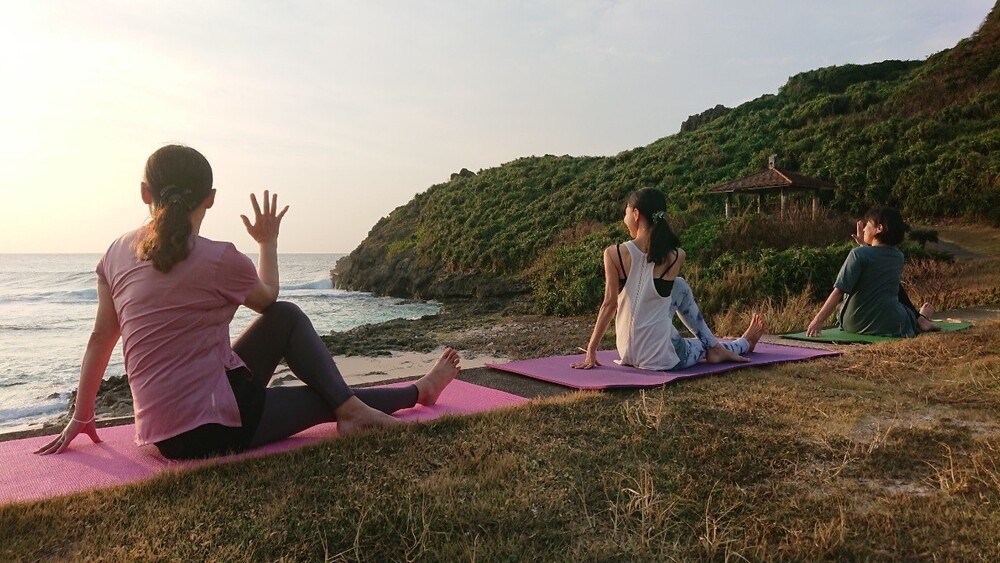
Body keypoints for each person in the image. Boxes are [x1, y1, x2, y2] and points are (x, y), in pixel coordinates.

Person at [36, 145, 460, 459]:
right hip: (209, 430)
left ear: (145, 192)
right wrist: (268, 242)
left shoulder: (115, 252)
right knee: (328, 396)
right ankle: (414, 393)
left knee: (289, 324)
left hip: (161, 428)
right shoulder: (219, 258)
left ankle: (366, 405)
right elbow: (268, 297)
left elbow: (101, 338)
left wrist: (82, 414)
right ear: (211, 197)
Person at [572, 187, 765, 372]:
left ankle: (719, 347)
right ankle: (741, 344)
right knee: (700, 339)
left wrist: (591, 349)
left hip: (627, 353)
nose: (624, 219)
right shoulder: (676, 256)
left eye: (626, 213)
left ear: (636, 214)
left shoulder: (613, 254)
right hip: (660, 357)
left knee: (678, 286)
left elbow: (609, 304)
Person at [806, 206, 938, 337]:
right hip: (890, 323)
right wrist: (864, 246)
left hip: (855, 323)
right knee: (905, 311)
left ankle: (922, 319)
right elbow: (877, 263)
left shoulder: (857, 254)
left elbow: (839, 291)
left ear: (879, 228)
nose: (864, 229)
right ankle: (921, 318)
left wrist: (818, 320)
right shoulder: (898, 256)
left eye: (868, 225)